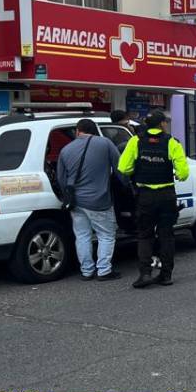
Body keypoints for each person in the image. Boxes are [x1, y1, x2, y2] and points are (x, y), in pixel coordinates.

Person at [118, 110, 189, 288]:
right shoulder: (171, 142)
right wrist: (177, 175)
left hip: (145, 196)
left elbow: (123, 167)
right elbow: (183, 173)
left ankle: (145, 274)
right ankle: (166, 275)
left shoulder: (136, 141)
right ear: (162, 124)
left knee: (145, 235)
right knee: (166, 235)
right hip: (166, 195)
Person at [56, 118, 123, 282]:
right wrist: (126, 185)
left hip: (76, 202)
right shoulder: (105, 143)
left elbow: (61, 178)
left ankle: (86, 271)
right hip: (99, 200)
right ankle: (104, 270)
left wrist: (68, 195)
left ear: (78, 131)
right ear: (95, 130)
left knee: (82, 236)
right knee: (106, 235)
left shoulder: (65, 150)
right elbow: (120, 168)